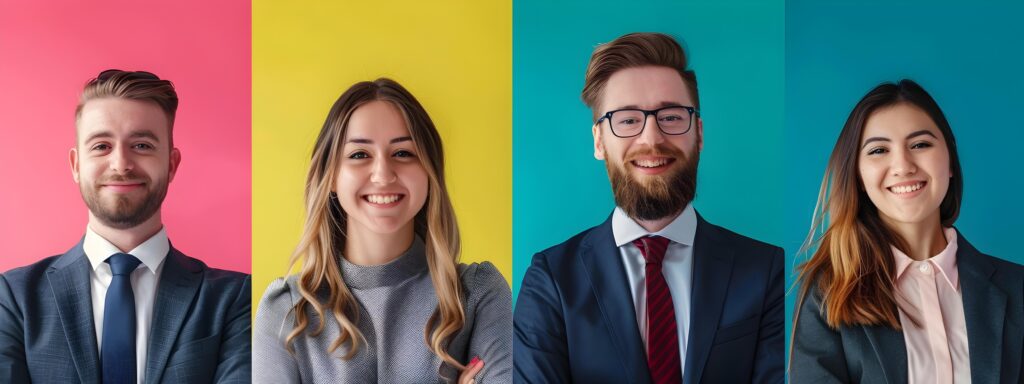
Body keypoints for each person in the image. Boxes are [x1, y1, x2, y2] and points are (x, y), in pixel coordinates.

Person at [513, 32, 785, 383]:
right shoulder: (550, 280)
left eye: (671, 117)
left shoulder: (766, 271)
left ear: (698, 134)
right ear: (599, 141)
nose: (651, 138)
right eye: (627, 120)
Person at [253, 78, 512, 383]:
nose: (383, 174)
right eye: (359, 155)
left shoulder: (478, 295)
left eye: (403, 153)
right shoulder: (286, 310)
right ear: (332, 176)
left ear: (429, 171)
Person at [0, 69, 252, 383]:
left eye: (142, 146)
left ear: (171, 164)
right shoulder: (14, 298)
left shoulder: (234, 298)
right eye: (101, 146)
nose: (121, 164)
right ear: (77, 166)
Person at [790, 79, 1024, 383]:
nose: (902, 165)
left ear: (950, 160)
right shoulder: (827, 295)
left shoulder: (1017, 289)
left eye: (920, 144)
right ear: (858, 175)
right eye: (878, 150)